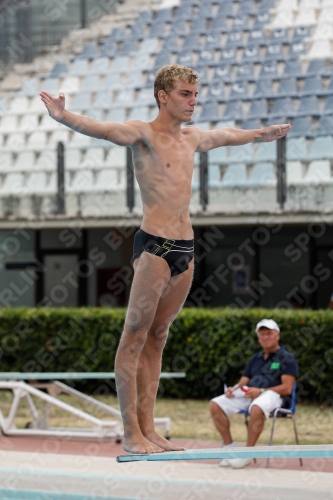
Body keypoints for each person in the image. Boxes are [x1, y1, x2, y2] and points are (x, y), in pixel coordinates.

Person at [40, 64, 292, 455]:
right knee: (134, 338)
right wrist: (63, 116)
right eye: (186, 94)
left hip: (186, 249)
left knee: (158, 338)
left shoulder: (191, 138)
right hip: (155, 247)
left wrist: (264, 133)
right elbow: (104, 129)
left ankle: (150, 429)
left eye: (195, 94)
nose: (194, 101)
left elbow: (226, 135)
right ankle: (131, 433)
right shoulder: (143, 135)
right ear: (164, 96)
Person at [209, 318, 299, 469]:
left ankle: (247, 454)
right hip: (250, 394)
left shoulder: (287, 358)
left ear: (277, 335)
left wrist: (262, 391)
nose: (265, 337)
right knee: (215, 404)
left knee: (257, 407)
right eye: (262, 334)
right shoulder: (255, 358)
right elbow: (244, 380)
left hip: (275, 397)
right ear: (258, 338)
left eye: (269, 333)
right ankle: (230, 449)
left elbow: (287, 388)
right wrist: (234, 389)